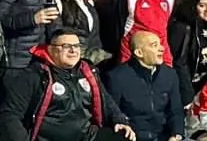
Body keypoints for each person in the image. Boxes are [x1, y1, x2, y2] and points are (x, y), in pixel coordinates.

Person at [0, 27, 135, 141]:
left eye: (76, 46)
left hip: (87, 136)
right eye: (66, 46)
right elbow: (10, 115)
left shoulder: (88, 71)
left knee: (125, 137)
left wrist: (120, 120)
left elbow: (107, 101)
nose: (73, 50)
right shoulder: (34, 75)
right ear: (51, 50)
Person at [107, 31, 184, 141]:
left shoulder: (170, 74)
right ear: (139, 52)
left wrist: (176, 135)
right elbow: (112, 114)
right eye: (154, 45)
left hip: (165, 137)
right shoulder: (116, 77)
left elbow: (176, 111)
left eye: (160, 44)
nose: (162, 49)